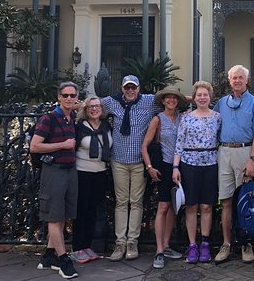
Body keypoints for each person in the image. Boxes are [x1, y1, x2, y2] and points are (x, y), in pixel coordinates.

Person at [213, 65, 254, 264]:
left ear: (246, 80)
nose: (237, 80)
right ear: (230, 81)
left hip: (246, 152)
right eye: (234, 77)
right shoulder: (221, 103)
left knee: (248, 198)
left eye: (240, 77)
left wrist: (253, 159)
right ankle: (227, 244)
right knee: (226, 200)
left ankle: (247, 243)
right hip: (225, 152)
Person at [102, 75, 158, 261]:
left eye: (133, 87)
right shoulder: (113, 102)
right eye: (127, 88)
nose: (130, 91)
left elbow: (170, 100)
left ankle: (132, 242)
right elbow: (92, 105)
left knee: (136, 202)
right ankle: (120, 243)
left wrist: (196, 98)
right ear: (122, 88)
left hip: (139, 161)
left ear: (139, 88)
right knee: (121, 201)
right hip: (118, 160)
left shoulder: (149, 101)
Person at [31, 81, 80, 279]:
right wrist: (63, 144)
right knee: (54, 215)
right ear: (58, 97)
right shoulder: (48, 118)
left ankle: (49, 255)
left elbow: (81, 105)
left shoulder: (71, 117)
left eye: (72, 95)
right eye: (65, 95)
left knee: (63, 215)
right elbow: (34, 146)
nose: (69, 98)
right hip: (54, 171)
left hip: (70, 171)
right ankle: (63, 260)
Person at [172, 81, 221, 264]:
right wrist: (175, 168)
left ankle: (205, 244)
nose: (202, 98)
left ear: (210, 97)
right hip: (189, 164)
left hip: (210, 164)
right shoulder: (186, 117)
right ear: (194, 98)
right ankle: (192, 245)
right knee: (191, 206)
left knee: (207, 206)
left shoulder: (217, 117)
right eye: (199, 95)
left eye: (205, 95)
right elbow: (179, 143)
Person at [141, 86, 188, 269]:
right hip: (164, 166)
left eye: (175, 98)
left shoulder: (183, 118)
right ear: (162, 101)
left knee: (174, 207)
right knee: (163, 206)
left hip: (181, 166)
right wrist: (150, 167)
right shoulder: (157, 119)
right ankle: (159, 250)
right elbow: (145, 145)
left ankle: (167, 244)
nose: (171, 101)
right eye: (167, 98)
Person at [70, 96, 112, 265]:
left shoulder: (106, 126)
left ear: (102, 109)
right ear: (85, 110)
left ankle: (87, 246)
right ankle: (77, 247)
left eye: (97, 106)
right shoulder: (80, 127)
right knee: (81, 210)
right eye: (90, 107)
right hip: (82, 172)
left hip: (100, 172)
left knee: (93, 210)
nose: (94, 109)